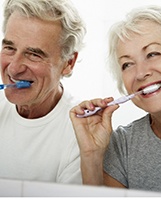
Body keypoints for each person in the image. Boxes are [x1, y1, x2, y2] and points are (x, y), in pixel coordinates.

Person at [70, 5, 161, 192]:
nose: (140, 73)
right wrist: (91, 155)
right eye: (127, 64)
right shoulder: (122, 144)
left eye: (152, 54)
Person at [0, 0, 86, 184]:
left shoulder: (81, 133)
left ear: (68, 63)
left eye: (34, 54)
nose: (14, 68)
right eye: (9, 48)